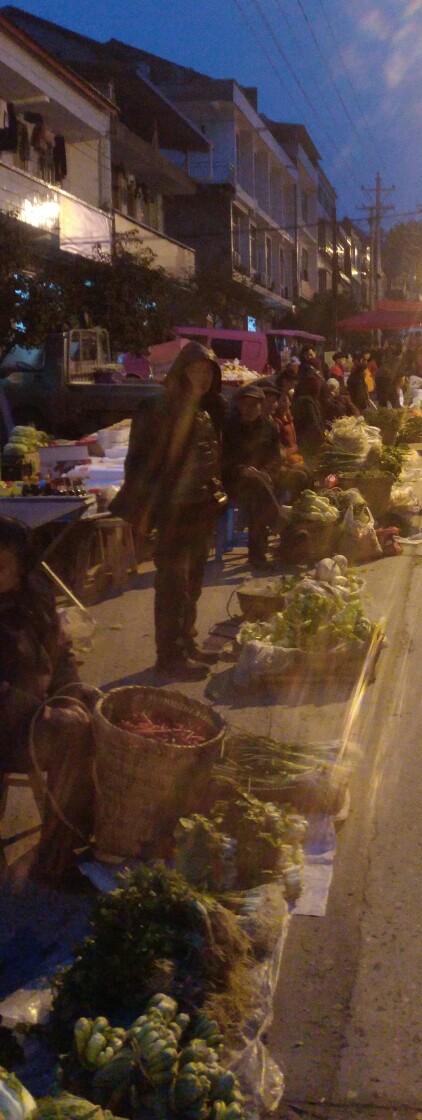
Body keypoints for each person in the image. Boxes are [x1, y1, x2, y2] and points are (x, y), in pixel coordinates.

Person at [111, 341, 227, 679]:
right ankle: (170, 656)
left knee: (193, 580)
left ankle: (186, 642)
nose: (204, 378)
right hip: (174, 512)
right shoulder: (158, 408)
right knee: (173, 584)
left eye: (209, 372)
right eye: (197, 370)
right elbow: (141, 463)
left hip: (199, 510)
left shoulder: (203, 410)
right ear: (182, 371)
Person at [0, 518, 97, 882]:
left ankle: (63, 844)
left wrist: (70, 697)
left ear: (22, 566)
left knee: (90, 713)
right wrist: (43, 713)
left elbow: (60, 655)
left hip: (30, 716)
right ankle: (57, 860)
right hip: (8, 722)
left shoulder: (33, 596)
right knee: (68, 733)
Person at [222, 384, 283, 568]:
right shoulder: (230, 426)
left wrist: (265, 472)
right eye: (244, 404)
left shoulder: (269, 427)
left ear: (260, 406)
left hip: (261, 480)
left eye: (253, 405)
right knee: (258, 491)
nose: (248, 409)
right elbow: (224, 459)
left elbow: (275, 458)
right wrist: (242, 470)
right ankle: (281, 527)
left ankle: (263, 550)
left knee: (261, 493)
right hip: (235, 480)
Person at [291, 371, 329, 460]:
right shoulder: (306, 402)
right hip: (308, 442)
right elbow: (313, 422)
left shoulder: (309, 399)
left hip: (308, 439)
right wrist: (322, 439)